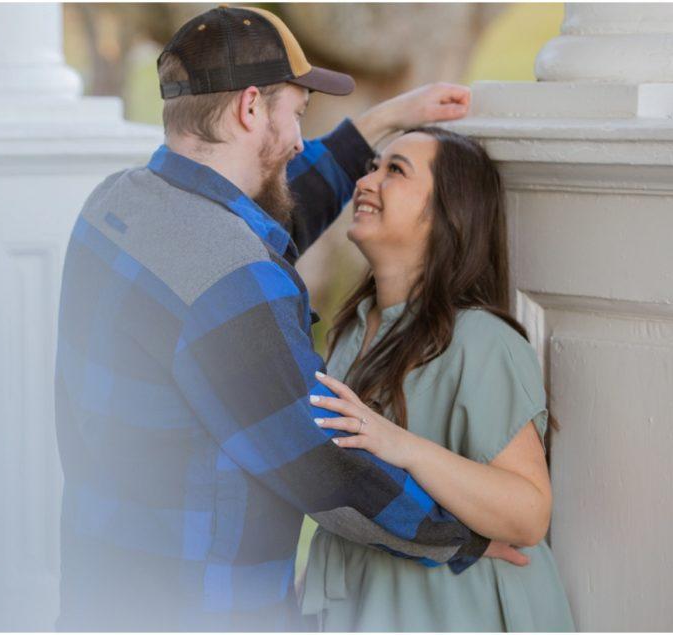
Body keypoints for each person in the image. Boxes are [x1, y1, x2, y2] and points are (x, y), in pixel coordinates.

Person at [54, 5, 519, 631]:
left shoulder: (116, 206)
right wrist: (460, 539)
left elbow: (260, 222)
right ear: (251, 109)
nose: (300, 139)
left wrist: (383, 123)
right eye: (296, 115)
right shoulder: (233, 278)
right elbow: (323, 465)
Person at [299, 126, 576, 631]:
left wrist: (399, 445)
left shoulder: (483, 342)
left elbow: (529, 514)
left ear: (449, 213)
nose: (367, 181)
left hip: (453, 611)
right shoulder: (350, 328)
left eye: (395, 170)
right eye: (372, 166)